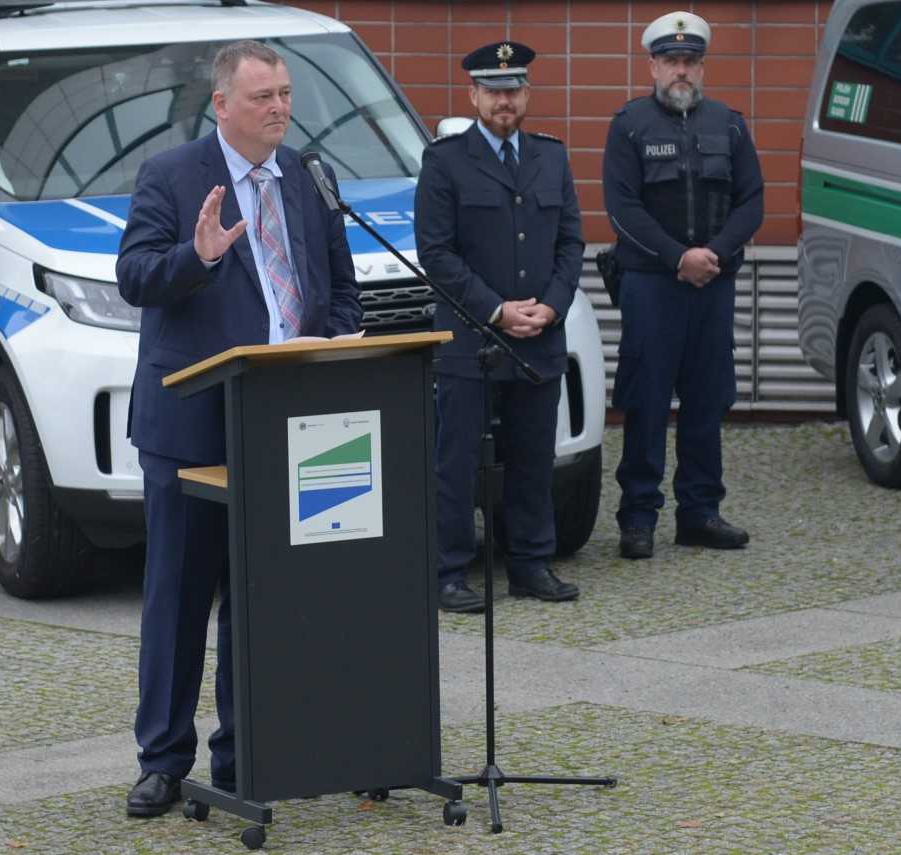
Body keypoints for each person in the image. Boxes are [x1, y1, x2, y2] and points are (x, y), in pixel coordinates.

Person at [115, 40, 362, 817]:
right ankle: (163, 760)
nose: (280, 108)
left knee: (262, 599)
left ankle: (242, 755)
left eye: (286, 93)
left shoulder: (309, 177)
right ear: (222, 104)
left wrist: (334, 343)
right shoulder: (170, 175)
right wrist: (195, 256)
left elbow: (340, 287)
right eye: (264, 97)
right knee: (180, 598)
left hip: (286, 422)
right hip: (192, 425)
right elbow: (134, 276)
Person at [415, 41, 585, 612]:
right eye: (492, 90)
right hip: (470, 338)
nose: (503, 100)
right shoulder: (445, 161)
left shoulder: (551, 157)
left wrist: (552, 307)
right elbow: (436, 254)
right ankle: (448, 572)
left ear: (527, 94)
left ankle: (531, 564)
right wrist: (496, 310)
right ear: (473, 96)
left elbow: (571, 243)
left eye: (512, 89)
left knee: (533, 457)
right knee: (457, 461)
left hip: (539, 336)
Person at [602, 11, 763, 560]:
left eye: (690, 61)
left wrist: (712, 255)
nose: (681, 70)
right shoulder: (629, 125)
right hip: (651, 285)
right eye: (671, 60)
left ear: (702, 67)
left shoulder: (730, 125)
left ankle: (699, 512)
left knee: (707, 398)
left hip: (712, 284)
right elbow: (621, 208)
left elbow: (752, 201)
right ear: (652, 66)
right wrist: (678, 258)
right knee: (646, 400)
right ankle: (638, 517)